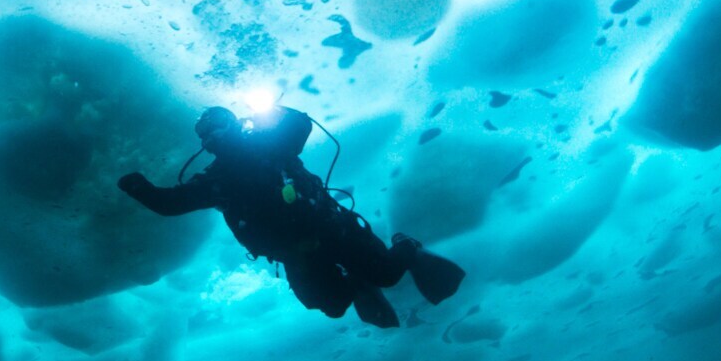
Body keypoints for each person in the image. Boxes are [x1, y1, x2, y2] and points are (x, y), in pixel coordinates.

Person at [118, 105, 464, 328]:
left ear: (236, 124)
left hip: (333, 229)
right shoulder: (214, 181)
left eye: (220, 126)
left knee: (387, 275)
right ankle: (356, 282)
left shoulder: (271, 145)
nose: (214, 135)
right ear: (204, 143)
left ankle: (405, 245)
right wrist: (136, 186)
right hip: (296, 254)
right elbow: (170, 204)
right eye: (206, 133)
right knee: (331, 305)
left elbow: (299, 123)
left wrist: (266, 112)